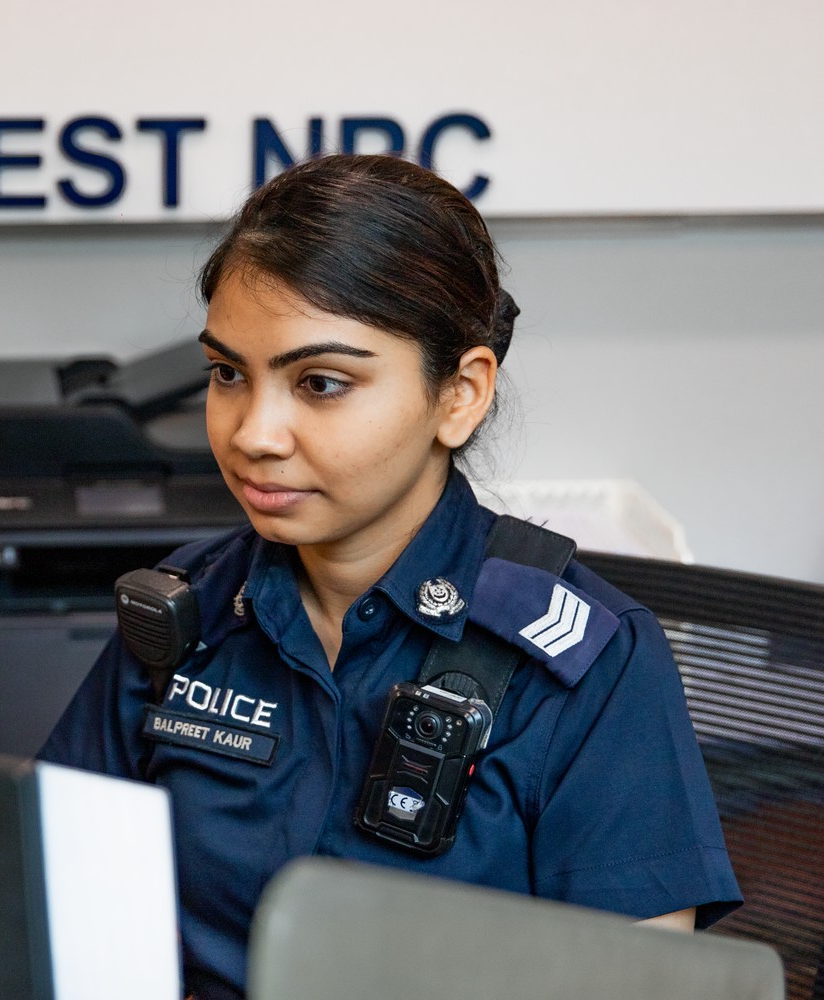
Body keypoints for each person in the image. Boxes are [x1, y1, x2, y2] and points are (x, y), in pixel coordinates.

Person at [38, 154, 742, 1000]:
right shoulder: (183, 615)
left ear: (461, 395)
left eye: (322, 384)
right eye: (228, 374)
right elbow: (49, 905)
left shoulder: (592, 664)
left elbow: (646, 989)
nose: (254, 432)